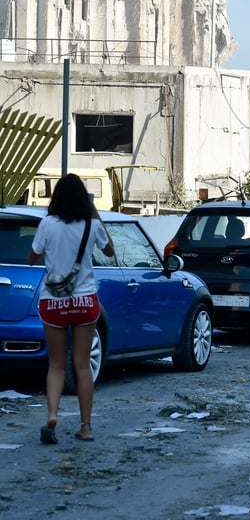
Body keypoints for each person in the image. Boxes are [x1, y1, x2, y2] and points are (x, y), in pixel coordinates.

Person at [28, 174, 114, 444]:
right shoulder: (91, 224)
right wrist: (95, 214)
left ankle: (52, 417)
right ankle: (86, 426)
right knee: (82, 366)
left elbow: (32, 259)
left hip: (53, 301)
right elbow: (110, 251)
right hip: (84, 301)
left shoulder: (47, 224)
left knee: (55, 364)